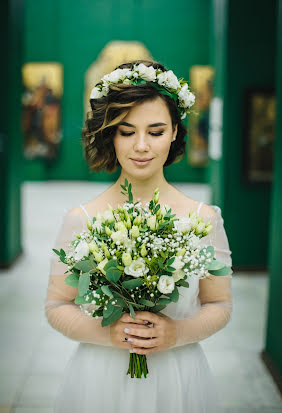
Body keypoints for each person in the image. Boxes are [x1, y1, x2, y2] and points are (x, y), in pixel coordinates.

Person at [45, 60, 233, 413]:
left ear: (176, 131)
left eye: (156, 131)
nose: (141, 146)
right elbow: (56, 306)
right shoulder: (81, 219)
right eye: (127, 131)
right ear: (110, 134)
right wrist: (108, 334)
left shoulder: (203, 219)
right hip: (101, 377)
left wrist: (177, 333)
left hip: (177, 374)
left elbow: (219, 305)